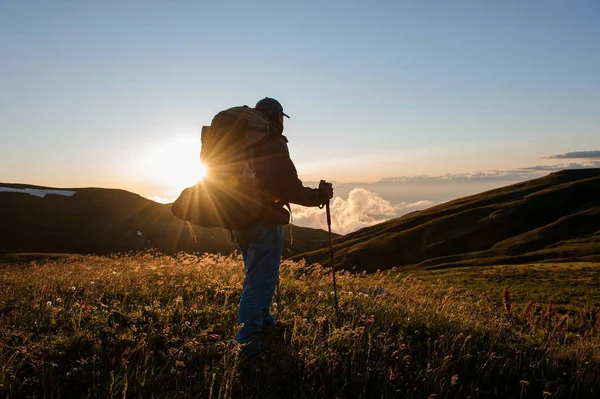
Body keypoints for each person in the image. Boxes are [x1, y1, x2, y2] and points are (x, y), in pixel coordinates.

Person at [233, 97, 334, 355]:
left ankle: (264, 323)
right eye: (280, 118)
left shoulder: (239, 141)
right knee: (258, 282)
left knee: (257, 275)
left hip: (238, 218)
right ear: (276, 118)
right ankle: (247, 345)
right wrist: (320, 197)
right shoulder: (271, 142)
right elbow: (290, 187)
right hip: (264, 220)